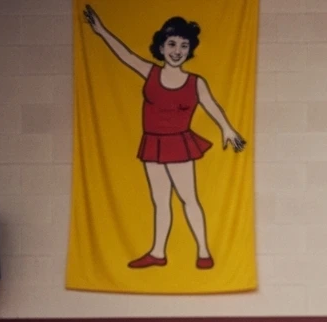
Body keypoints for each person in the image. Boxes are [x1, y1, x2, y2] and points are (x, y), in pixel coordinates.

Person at [81, 6, 245, 269]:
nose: (177, 50)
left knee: (188, 197)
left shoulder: (195, 82)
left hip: (178, 143)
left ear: (189, 49)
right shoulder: (151, 73)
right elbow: (125, 55)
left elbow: (211, 105)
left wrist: (226, 127)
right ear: (161, 46)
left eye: (183, 45)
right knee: (160, 200)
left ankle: (203, 250)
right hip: (153, 143)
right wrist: (101, 31)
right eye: (171, 43)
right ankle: (158, 252)